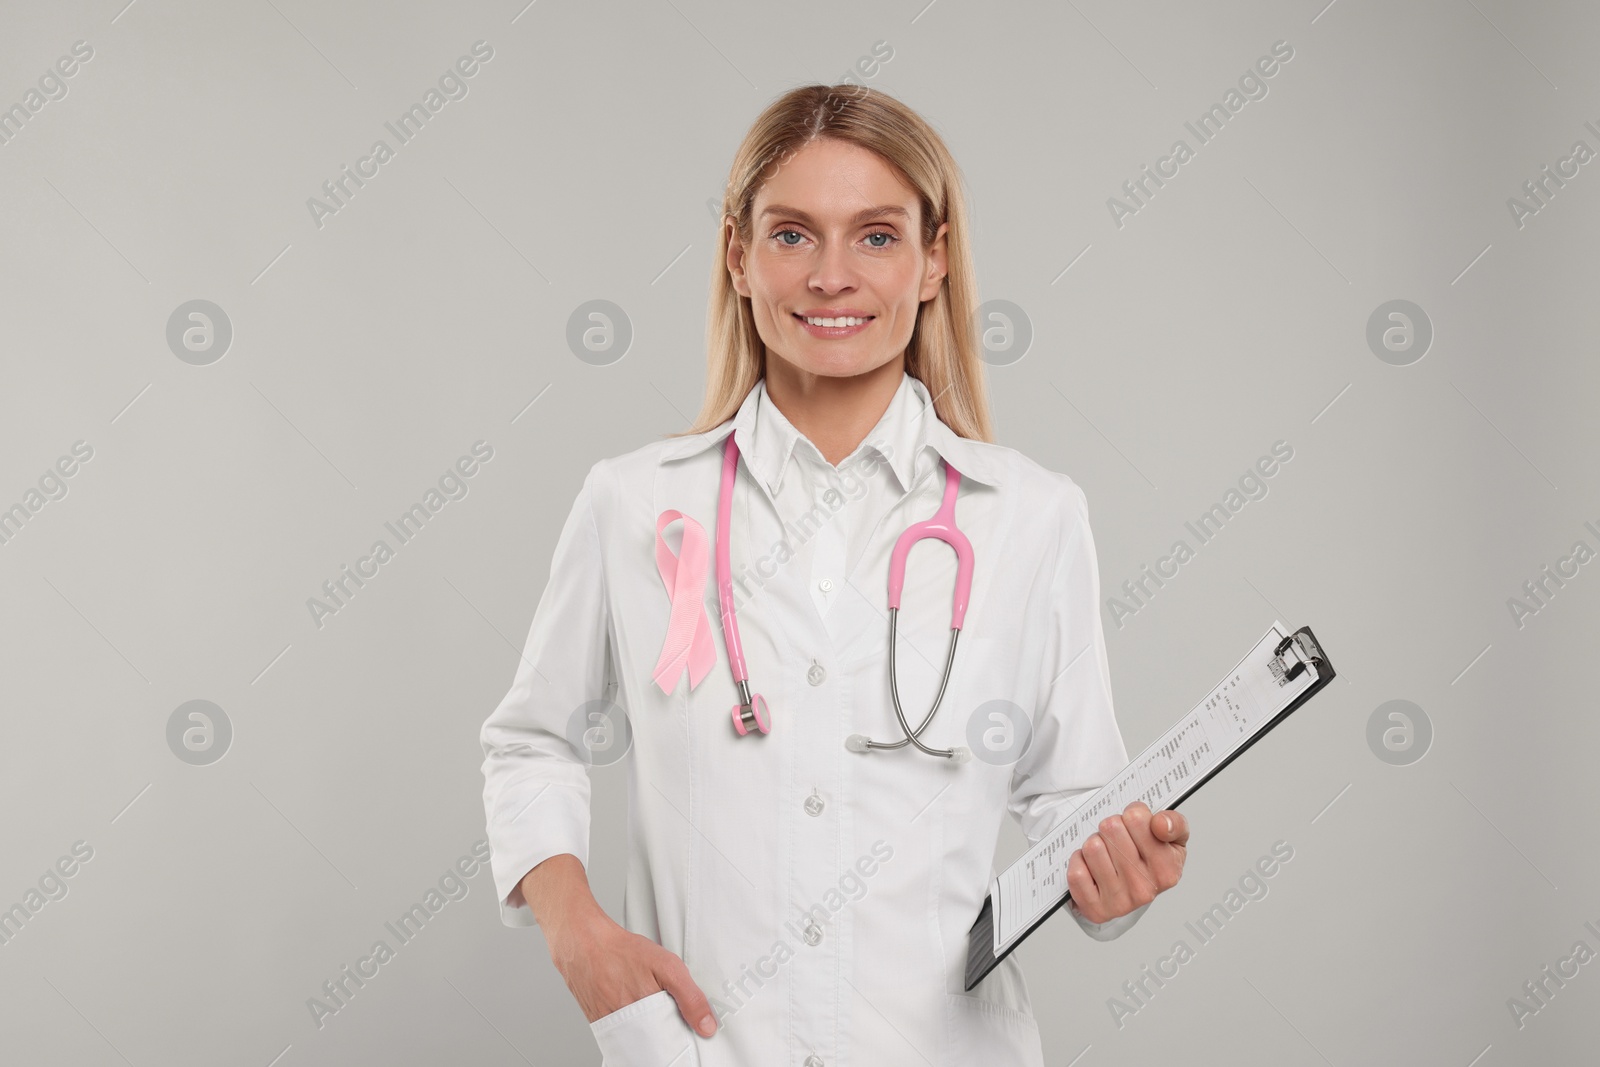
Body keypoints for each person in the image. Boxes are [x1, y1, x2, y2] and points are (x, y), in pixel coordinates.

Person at [479, 83, 1190, 1066]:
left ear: (934, 259)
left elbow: (1079, 811)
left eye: (876, 236)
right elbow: (529, 741)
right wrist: (577, 933)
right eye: (791, 236)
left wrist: (1117, 877)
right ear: (737, 255)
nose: (830, 276)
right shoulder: (634, 503)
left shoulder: (1031, 518)